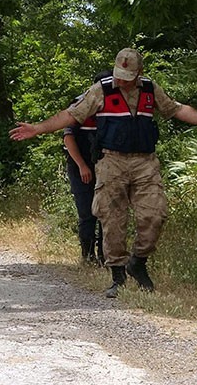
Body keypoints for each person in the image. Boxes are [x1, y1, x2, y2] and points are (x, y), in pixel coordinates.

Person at [10, 48, 197, 298]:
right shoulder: (101, 90)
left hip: (145, 161)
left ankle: (137, 262)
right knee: (111, 219)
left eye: (126, 76)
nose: (120, 80)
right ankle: (117, 275)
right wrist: (37, 129)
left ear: (139, 74)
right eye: (118, 74)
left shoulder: (149, 89)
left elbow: (177, 109)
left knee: (155, 214)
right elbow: (70, 115)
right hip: (112, 161)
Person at [63, 70, 111, 266]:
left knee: (106, 213)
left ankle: (105, 256)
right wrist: (82, 166)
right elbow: (68, 137)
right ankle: (88, 256)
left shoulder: (113, 107)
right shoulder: (80, 105)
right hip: (81, 166)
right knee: (87, 212)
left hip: (106, 167)